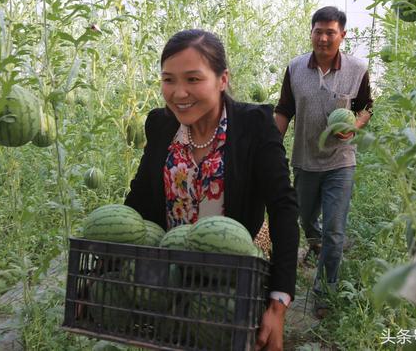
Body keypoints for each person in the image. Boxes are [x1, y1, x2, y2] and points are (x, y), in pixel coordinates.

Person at [125, 29, 299, 350]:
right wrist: (108, 271)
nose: (179, 93)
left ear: (222, 79)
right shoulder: (161, 124)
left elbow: (283, 207)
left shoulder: (254, 124)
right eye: (168, 79)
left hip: (235, 275)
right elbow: (138, 199)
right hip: (171, 275)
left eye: (193, 79)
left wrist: (278, 302)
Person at [273, 6, 373, 318]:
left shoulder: (357, 69)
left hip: (340, 162)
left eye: (331, 32)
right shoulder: (295, 68)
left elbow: (366, 106)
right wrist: (271, 144)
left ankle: (324, 292)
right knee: (304, 219)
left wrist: (355, 126)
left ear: (342, 35)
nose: (324, 37)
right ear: (312, 33)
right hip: (304, 159)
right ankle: (315, 244)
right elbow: (284, 110)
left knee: (334, 229)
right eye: (319, 31)